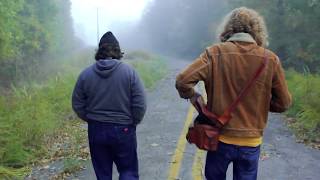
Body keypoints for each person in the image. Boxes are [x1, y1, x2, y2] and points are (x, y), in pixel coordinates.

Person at [175, 7, 292, 180]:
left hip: (219, 139)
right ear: (256, 30)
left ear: (228, 29)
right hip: (251, 142)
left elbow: (183, 81)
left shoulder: (214, 53)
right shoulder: (270, 59)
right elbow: (284, 103)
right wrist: (259, 105)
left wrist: (194, 97)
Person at [72, 31, 146, 180]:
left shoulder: (85, 75)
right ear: (118, 51)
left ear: (99, 51)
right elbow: (140, 104)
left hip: (96, 129)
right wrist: (133, 121)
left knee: (103, 175)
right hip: (123, 128)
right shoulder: (130, 73)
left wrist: (91, 118)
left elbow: (77, 103)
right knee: (128, 172)